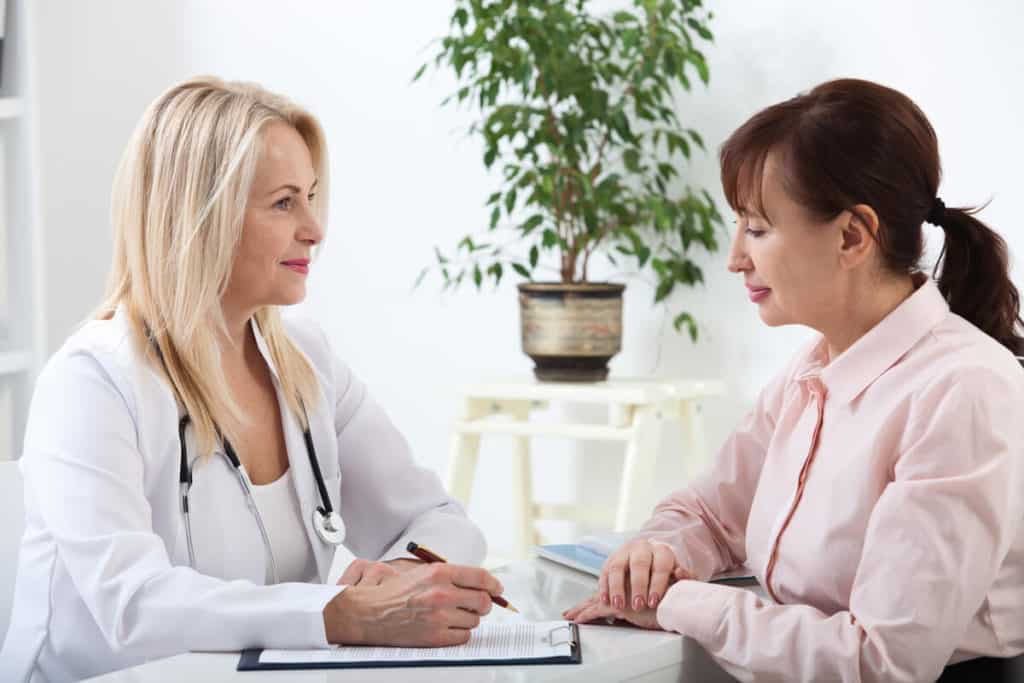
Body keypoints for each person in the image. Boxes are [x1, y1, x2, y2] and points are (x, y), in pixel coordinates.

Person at [0, 76, 502, 683]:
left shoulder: (306, 362)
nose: (315, 229)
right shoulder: (94, 380)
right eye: (284, 203)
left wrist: (397, 580)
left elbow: (439, 521)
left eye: (312, 197)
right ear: (199, 216)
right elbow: (132, 607)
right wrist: (341, 614)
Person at [564, 78, 1024, 682]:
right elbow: (707, 510)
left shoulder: (963, 393)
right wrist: (659, 556)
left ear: (852, 235)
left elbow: (879, 661)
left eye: (756, 228)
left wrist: (678, 603)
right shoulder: (815, 367)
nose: (735, 257)